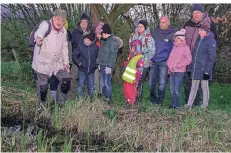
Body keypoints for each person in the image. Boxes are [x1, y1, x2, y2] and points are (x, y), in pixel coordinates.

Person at [32, 9, 71, 111]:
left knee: (66, 80)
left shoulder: (64, 31)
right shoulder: (46, 24)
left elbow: (64, 47)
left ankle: (59, 106)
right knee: (43, 87)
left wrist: (66, 63)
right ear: (53, 18)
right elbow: (39, 32)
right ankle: (42, 107)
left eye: (62, 21)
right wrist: (38, 39)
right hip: (42, 63)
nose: (59, 22)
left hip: (57, 63)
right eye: (58, 19)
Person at [183, 4, 218, 106]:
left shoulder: (210, 26)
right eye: (193, 13)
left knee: (203, 86)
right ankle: (189, 104)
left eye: (197, 12)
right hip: (191, 62)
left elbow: (213, 49)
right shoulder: (188, 24)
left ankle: (202, 105)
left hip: (203, 64)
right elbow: (182, 39)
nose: (195, 15)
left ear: (202, 12)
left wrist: (208, 68)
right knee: (189, 84)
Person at [151, 16, 177, 105]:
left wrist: (170, 63)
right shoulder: (155, 32)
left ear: (168, 23)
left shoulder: (173, 33)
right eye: (160, 22)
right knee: (151, 82)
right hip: (154, 61)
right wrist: (150, 57)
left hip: (164, 62)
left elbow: (174, 49)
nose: (161, 24)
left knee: (162, 83)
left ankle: (160, 102)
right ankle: (153, 100)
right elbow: (150, 45)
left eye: (164, 22)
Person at [129, 20, 156, 103]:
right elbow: (130, 48)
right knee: (132, 81)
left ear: (145, 28)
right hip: (133, 63)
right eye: (138, 26)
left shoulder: (148, 38)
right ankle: (131, 98)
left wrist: (146, 59)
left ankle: (137, 101)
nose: (139, 28)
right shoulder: (133, 36)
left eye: (142, 26)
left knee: (139, 82)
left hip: (143, 63)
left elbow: (152, 51)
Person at [166, 29, 192, 110]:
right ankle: (173, 104)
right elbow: (170, 58)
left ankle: (178, 106)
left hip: (179, 72)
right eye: (175, 38)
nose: (175, 40)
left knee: (177, 90)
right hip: (172, 71)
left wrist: (179, 65)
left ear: (182, 39)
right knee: (172, 90)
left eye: (177, 38)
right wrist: (169, 67)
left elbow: (188, 59)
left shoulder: (185, 48)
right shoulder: (174, 47)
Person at [71, 13, 93, 99]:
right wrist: (76, 56)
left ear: (88, 23)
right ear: (79, 23)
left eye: (85, 22)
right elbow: (73, 44)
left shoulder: (91, 32)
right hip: (77, 58)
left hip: (87, 59)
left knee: (88, 79)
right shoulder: (75, 31)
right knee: (73, 77)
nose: (83, 23)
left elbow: (93, 44)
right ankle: (72, 96)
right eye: (82, 22)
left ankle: (87, 98)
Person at [72, 32, 99, 101]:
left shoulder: (95, 47)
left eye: (89, 40)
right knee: (80, 86)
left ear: (92, 41)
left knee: (91, 87)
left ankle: (91, 100)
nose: (87, 41)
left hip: (91, 70)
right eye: (85, 39)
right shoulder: (80, 46)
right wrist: (80, 63)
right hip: (82, 70)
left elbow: (98, 57)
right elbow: (74, 56)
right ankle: (79, 100)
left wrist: (96, 64)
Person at [96, 24, 119, 104]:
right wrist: (99, 63)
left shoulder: (113, 42)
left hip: (108, 66)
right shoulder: (103, 41)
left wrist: (109, 66)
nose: (103, 35)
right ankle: (103, 97)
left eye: (104, 34)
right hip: (102, 65)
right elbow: (100, 54)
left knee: (107, 83)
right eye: (102, 34)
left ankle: (108, 98)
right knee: (102, 82)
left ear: (108, 33)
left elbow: (113, 55)